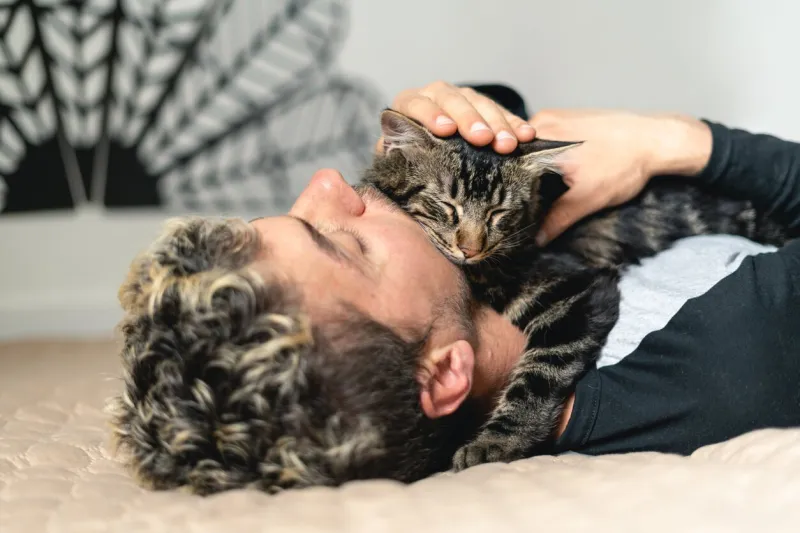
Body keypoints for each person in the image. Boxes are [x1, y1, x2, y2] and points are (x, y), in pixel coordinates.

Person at [108, 81, 800, 496]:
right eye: (344, 242)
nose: (328, 184)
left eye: (293, 212)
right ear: (443, 373)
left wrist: (463, 113)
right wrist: (675, 141)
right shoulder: (729, 347)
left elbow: (491, 142)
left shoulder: (480, 285)